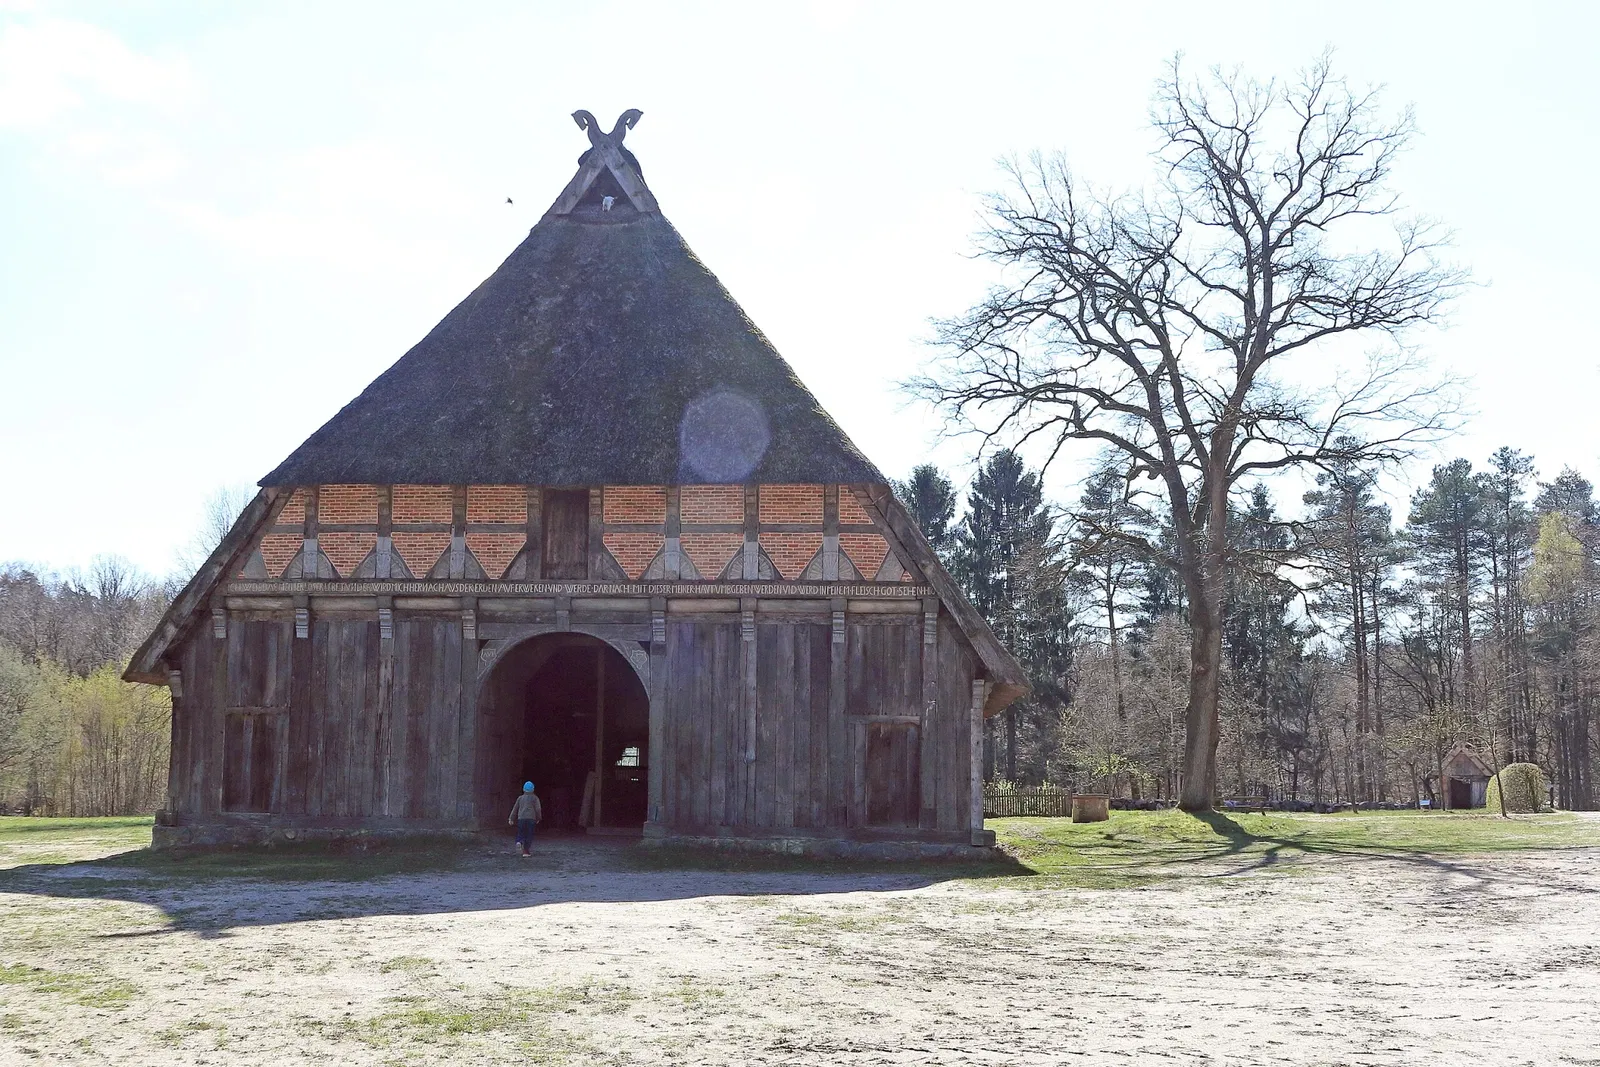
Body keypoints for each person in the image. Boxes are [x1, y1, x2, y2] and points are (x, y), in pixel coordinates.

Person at [507, 781, 542, 857]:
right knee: (529, 834)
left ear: (523, 789)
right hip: (531, 819)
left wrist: (511, 818)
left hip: (521, 818)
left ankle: (519, 841)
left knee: (521, 832)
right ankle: (526, 852)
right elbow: (538, 809)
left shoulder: (520, 798)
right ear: (533, 789)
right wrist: (538, 818)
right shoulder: (535, 798)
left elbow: (515, 808)